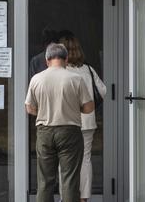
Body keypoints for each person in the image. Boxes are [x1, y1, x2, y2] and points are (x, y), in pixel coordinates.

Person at [25, 42, 94, 202]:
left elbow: (29, 107)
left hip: (45, 131)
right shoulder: (75, 79)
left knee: (45, 181)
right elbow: (89, 107)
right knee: (70, 180)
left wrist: (43, 112)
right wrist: (75, 109)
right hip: (70, 131)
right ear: (66, 58)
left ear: (47, 60)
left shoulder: (37, 79)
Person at [61, 34, 107, 201]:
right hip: (87, 121)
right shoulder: (88, 69)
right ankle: (84, 198)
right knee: (85, 160)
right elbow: (103, 91)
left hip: (66, 122)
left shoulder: (61, 71)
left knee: (65, 161)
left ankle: (67, 196)